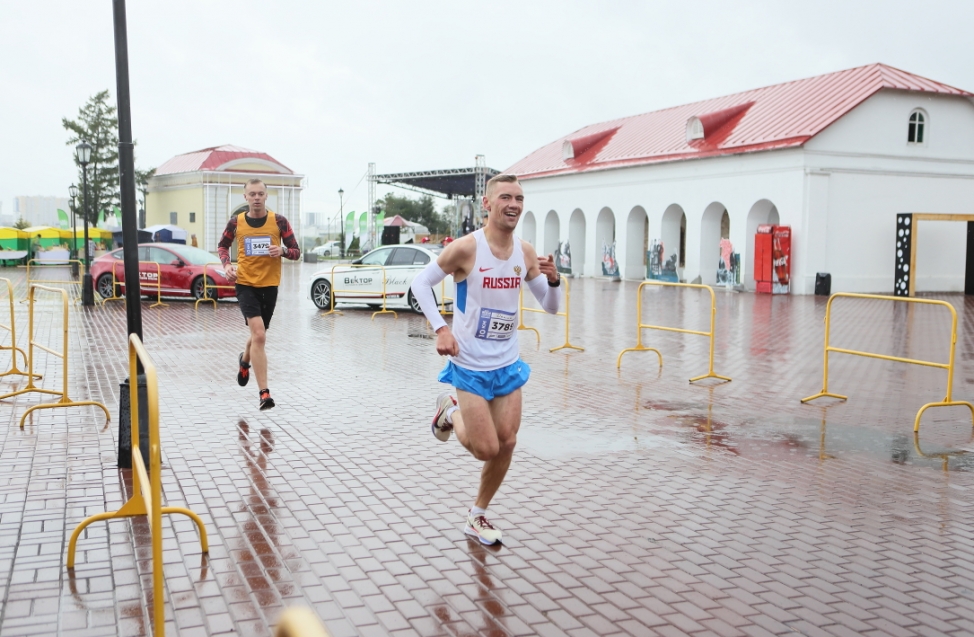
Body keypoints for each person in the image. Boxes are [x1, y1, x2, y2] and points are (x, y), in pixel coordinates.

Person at [409, 174, 561, 545]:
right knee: (486, 449)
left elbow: (551, 307)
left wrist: (555, 282)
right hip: (470, 364)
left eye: (520, 199)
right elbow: (420, 285)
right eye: (506, 197)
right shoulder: (466, 249)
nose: (514, 205)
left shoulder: (525, 252)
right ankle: (449, 411)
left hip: (507, 363)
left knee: (507, 442)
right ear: (487, 204)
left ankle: (477, 515)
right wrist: (440, 329)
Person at [218, 178, 300, 410]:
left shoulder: (279, 221)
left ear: (266, 196)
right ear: (245, 197)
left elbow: (296, 251)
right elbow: (222, 246)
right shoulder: (236, 222)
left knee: (258, 335)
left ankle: (245, 361)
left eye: (260, 194)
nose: (256, 198)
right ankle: (265, 394)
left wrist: (282, 251)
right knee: (260, 335)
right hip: (245, 284)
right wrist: (226, 267)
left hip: (270, 285)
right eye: (251, 194)